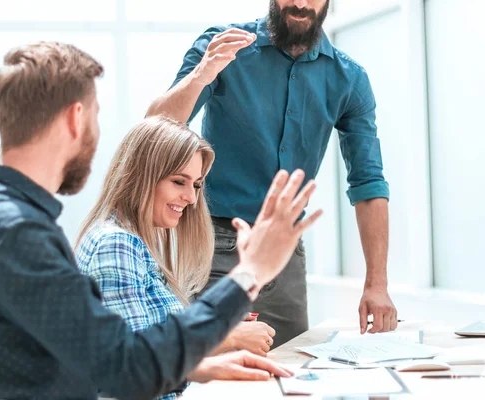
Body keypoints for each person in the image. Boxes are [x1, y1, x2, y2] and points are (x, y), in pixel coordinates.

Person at [0, 41, 321, 399]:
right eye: (97, 115)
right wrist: (249, 272)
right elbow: (126, 371)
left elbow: (99, 359)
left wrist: (198, 367)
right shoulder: (18, 232)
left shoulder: (7, 220)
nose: (191, 198)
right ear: (75, 117)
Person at [147, 0, 397, 347]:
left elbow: (368, 182)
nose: (300, 4)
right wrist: (201, 74)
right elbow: (154, 129)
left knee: (289, 373)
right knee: (203, 366)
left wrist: (376, 283)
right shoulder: (223, 47)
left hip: (285, 254)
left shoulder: (348, 79)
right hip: (213, 246)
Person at [76, 117, 277, 378]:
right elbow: (137, 364)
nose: (192, 198)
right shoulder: (116, 245)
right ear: (141, 177)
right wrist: (228, 336)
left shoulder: (131, 241)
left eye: (196, 185)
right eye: (179, 182)